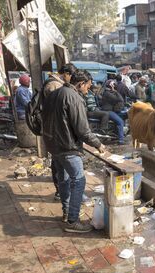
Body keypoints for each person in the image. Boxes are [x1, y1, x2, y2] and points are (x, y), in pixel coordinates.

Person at [42, 70, 106, 232]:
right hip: (67, 146)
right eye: (87, 87)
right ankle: (72, 221)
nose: (88, 90)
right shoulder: (74, 97)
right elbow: (82, 130)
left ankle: (66, 212)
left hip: (54, 144)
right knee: (79, 180)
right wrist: (98, 144)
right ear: (81, 84)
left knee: (63, 179)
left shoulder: (54, 94)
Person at [42, 64, 78, 202]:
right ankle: (61, 192)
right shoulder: (54, 86)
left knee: (59, 163)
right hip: (56, 132)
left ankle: (63, 193)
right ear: (66, 74)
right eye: (71, 76)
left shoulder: (56, 84)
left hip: (55, 131)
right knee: (60, 166)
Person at [101, 80, 126, 145]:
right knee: (120, 122)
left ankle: (116, 135)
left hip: (111, 110)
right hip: (108, 111)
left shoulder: (108, 92)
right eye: (114, 85)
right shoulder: (107, 93)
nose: (115, 86)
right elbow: (119, 99)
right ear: (111, 86)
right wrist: (116, 91)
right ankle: (121, 140)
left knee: (122, 116)